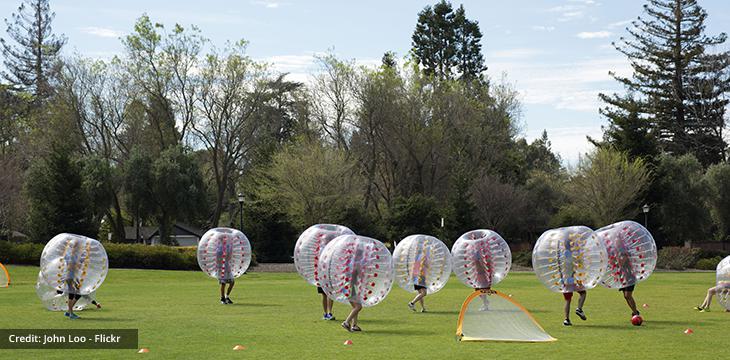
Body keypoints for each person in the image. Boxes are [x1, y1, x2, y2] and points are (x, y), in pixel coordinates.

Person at [63, 240, 83, 320]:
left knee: (77, 293)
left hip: (71, 276)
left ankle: (69, 312)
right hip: (71, 276)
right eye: (78, 246)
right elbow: (70, 266)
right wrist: (77, 265)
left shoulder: (69, 253)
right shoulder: (72, 255)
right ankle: (70, 313)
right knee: (72, 295)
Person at [408, 245, 430, 313]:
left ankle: (423, 308)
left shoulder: (415, 257)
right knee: (424, 293)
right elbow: (427, 265)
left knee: (420, 293)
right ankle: (412, 303)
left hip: (415, 276)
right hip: (421, 276)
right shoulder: (424, 257)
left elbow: (413, 267)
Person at [217, 238, 235, 304]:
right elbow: (218, 258)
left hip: (227, 266)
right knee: (223, 283)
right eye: (224, 238)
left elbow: (229, 257)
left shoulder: (228, 247)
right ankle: (222, 298)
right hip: (221, 267)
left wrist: (230, 251)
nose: (225, 239)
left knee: (232, 282)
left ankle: (226, 296)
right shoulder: (218, 248)